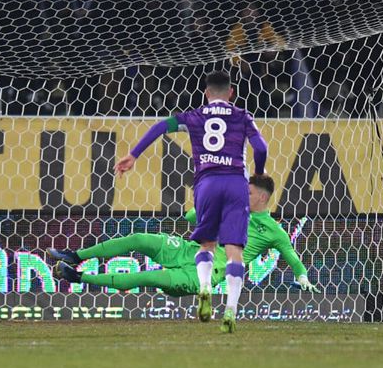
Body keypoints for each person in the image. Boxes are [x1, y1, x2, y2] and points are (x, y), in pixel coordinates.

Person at [48, 175, 313, 333]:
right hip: (191, 249)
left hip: (206, 272)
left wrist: (302, 277)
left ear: (263, 199)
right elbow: (191, 217)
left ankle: (78, 278)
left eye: (249, 192)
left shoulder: (273, 231)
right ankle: (75, 256)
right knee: (139, 238)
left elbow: (290, 255)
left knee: (147, 277)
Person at [115, 70, 267, 323]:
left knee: (206, 246)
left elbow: (161, 126)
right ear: (231, 93)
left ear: (206, 93)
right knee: (233, 251)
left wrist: (134, 154)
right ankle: (230, 312)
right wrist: (259, 173)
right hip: (235, 184)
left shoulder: (194, 116)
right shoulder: (242, 116)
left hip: (206, 184)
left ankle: (205, 289)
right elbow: (261, 147)